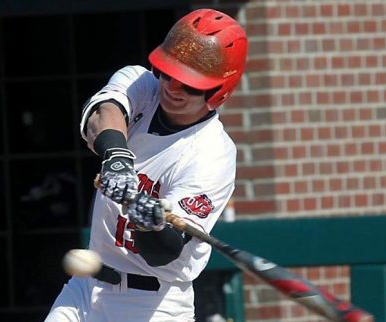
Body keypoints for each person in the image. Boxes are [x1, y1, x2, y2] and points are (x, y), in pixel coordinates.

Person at [45, 8, 248, 322]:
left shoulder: (213, 153)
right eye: (169, 73)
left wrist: (147, 221)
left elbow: (162, 252)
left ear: (219, 90)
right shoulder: (141, 82)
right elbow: (104, 113)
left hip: (153, 305)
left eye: (189, 83)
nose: (172, 87)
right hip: (85, 287)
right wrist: (117, 158)